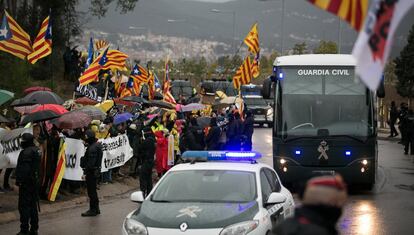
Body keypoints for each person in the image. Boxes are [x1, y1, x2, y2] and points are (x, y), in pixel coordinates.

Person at [273, 175, 347, 235]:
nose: (341, 208)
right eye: (339, 203)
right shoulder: (320, 232)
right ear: (332, 202)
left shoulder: (284, 226)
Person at [15, 133, 41, 235]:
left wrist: (19, 182)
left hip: (26, 184)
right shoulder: (37, 150)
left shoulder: (25, 152)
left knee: (24, 206)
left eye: (23, 141)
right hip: (35, 182)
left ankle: (24, 229)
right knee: (33, 206)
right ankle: (34, 229)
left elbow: (23, 170)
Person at [80, 130, 103, 217]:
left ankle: (93, 209)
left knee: (91, 192)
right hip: (95, 171)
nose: (85, 139)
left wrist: (85, 172)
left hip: (92, 172)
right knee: (93, 191)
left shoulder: (92, 148)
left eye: (86, 137)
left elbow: (91, 163)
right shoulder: (96, 146)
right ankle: (96, 209)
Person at [139, 126, 156, 197]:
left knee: (143, 178)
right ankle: (149, 194)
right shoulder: (153, 140)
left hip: (146, 161)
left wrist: (141, 142)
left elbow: (140, 149)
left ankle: (143, 193)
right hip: (151, 161)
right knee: (149, 178)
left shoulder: (147, 141)